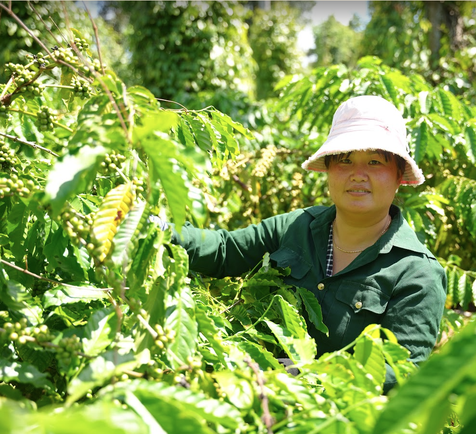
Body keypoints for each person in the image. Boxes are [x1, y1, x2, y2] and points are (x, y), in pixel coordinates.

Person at [168, 95, 447, 393]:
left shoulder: (418, 274)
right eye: (345, 159)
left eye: (375, 161)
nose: (358, 174)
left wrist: (313, 376)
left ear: (398, 176)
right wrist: (157, 228)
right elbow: (224, 250)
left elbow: (402, 377)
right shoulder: (296, 227)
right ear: (328, 169)